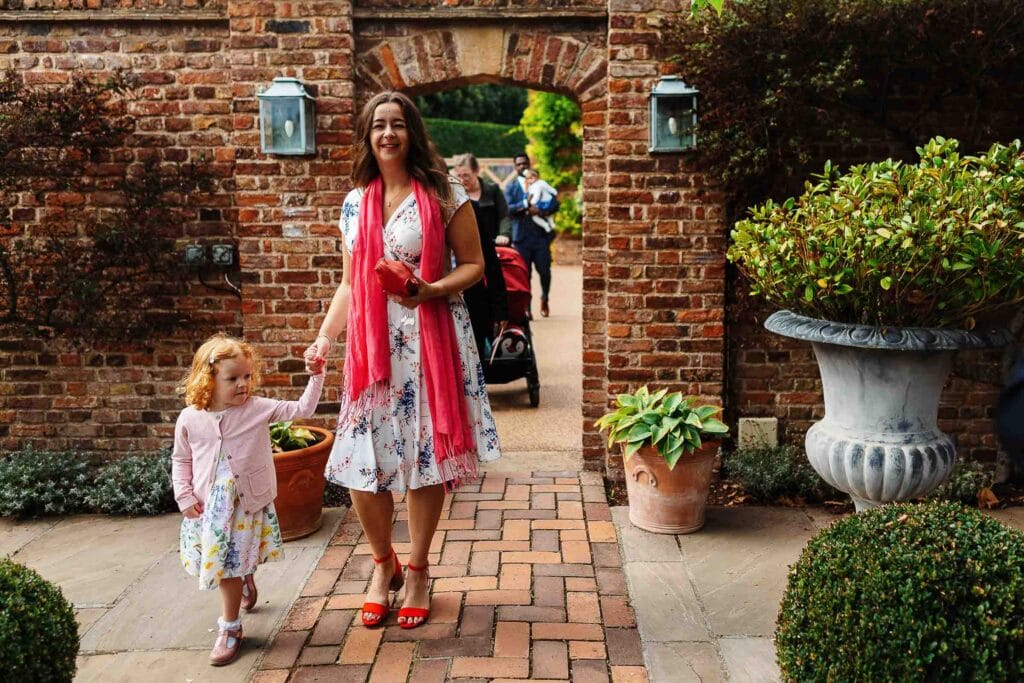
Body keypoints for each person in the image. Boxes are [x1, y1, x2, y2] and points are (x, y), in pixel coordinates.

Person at [304, 91, 501, 631]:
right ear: (368, 136)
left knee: (423, 462)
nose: (388, 134)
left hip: (432, 340)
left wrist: (430, 289)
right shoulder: (354, 202)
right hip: (372, 351)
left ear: (412, 132)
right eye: (378, 126)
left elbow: (476, 266)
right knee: (361, 468)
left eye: (397, 125)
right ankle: (382, 564)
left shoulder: (443, 191)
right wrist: (324, 338)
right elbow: (349, 283)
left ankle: (415, 570)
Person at [172, 332, 324, 666]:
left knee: (227, 568)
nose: (243, 384)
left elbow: (304, 408)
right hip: (208, 506)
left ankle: (230, 628)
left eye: (247, 376)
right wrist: (183, 495)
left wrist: (316, 374)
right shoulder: (191, 418)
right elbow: (181, 459)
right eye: (233, 378)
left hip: (243, 505)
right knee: (219, 564)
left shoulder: (257, 409)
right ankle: (243, 579)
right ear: (207, 379)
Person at [452, 152, 511, 361]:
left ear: (476, 172)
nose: (462, 180)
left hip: (477, 284)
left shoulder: (489, 194)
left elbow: (504, 216)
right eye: (458, 176)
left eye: (466, 175)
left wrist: (504, 235)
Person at [504, 152, 559, 317]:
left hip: (540, 237)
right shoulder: (511, 187)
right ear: (515, 167)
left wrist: (541, 211)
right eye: (519, 164)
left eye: (524, 163)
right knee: (524, 274)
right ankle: (527, 307)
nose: (522, 166)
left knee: (545, 271)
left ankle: (545, 298)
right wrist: (524, 204)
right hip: (521, 238)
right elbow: (508, 209)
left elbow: (555, 204)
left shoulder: (540, 183)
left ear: (529, 164)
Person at [524, 168, 558, 235]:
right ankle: (549, 224)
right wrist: (555, 192)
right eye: (527, 179)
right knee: (546, 215)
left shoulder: (537, 185)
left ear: (535, 177)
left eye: (530, 178)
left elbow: (536, 196)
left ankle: (547, 225)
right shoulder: (538, 183)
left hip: (544, 203)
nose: (529, 180)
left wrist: (531, 203)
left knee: (536, 216)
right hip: (545, 201)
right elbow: (550, 189)